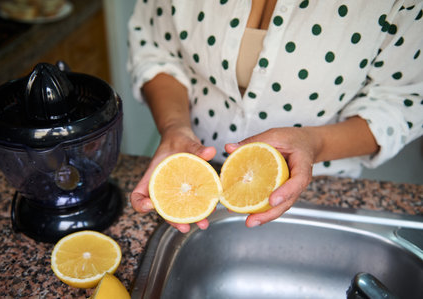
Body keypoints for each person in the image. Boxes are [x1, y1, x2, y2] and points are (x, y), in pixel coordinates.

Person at [127, 0, 423, 233]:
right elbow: (156, 48)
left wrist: (313, 144)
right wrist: (174, 126)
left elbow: (405, 100)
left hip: (321, 185)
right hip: (194, 171)